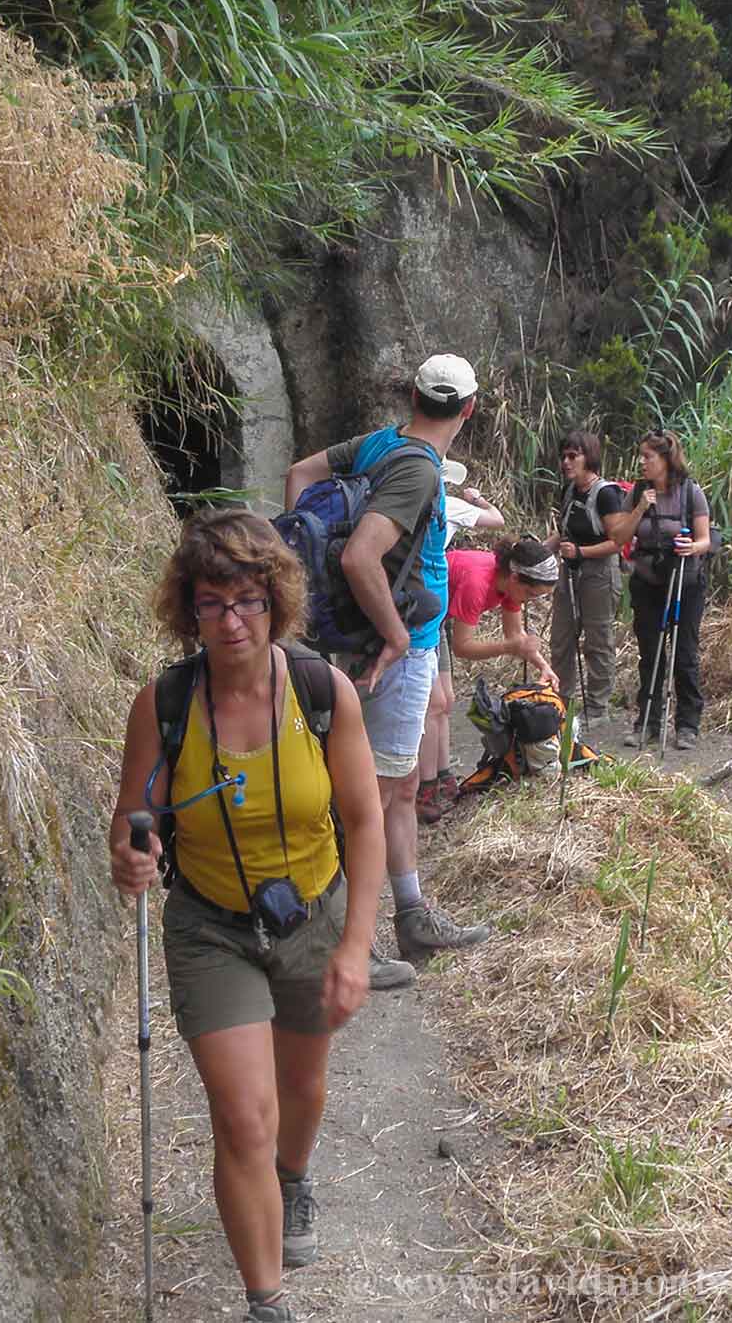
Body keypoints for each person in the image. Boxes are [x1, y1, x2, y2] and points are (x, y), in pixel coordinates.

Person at [109, 509, 385, 1323]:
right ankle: (267, 1302)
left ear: (276, 602)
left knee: (301, 1086)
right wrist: (131, 856)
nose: (231, 620)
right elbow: (134, 822)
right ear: (185, 610)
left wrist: (358, 946)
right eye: (211, 603)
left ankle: (293, 1181)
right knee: (242, 1116)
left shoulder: (319, 691)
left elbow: (365, 819)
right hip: (210, 926)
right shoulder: (162, 705)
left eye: (248, 600)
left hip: (312, 912)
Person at [282, 353, 491, 990]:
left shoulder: (380, 443)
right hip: (396, 645)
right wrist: (396, 636)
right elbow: (362, 557)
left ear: (413, 395)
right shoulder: (420, 471)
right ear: (469, 410)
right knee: (368, 798)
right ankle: (351, 942)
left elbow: (300, 473)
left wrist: (303, 578)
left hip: (381, 638)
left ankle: (411, 913)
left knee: (396, 790)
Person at [416, 461, 506, 823]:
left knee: (446, 700)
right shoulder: (447, 505)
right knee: (432, 702)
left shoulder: (438, 504)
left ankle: (441, 776)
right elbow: (497, 519)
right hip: (419, 610)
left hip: (431, 609)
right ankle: (425, 787)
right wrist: (479, 499)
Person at [625, 429, 712, 751]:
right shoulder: (637, 492)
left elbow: (704, 539)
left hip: (684, 582)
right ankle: (647, 722)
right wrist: (638, 510)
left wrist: (692, 546)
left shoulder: (691, 493)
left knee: (684, 653)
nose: (642, 462)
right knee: (650, 654)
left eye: (648, 456)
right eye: (642, 456)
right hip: (647, 581)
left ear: (665, 459)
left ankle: (688, 725)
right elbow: (620, 535)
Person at [548, 431, 636, 735]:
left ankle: (598, 707)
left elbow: (617, 541)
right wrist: (538, 550)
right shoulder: (569, 490)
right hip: (569, 573)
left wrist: (581, 552)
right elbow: (564, 533)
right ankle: (562, 703)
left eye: (574, 456)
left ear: (590, 458)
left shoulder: (607, 494)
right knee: (561, 639)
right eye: (564, 456)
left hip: (599, 573)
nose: (566, 462)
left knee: (597, 642)